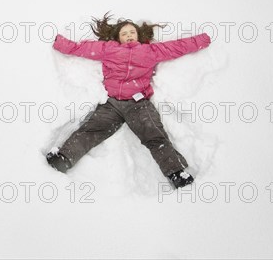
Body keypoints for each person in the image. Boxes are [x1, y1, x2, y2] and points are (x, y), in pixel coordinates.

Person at [46, 14, 212, 189]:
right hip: (112, 104)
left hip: (139, 105)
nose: (129, 35)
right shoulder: (108, 49)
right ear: (118, 37)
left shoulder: (150, 51)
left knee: (154, 135)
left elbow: (177, 47)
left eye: (132, 32)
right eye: (124, 33)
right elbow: (81, 48)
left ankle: (177, 172)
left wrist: (201, 40)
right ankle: (63, 158)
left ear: (139, 35)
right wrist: (61, 43)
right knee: (91, 130)